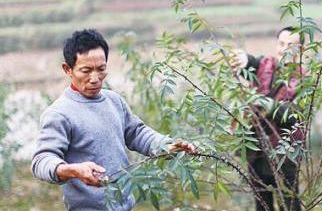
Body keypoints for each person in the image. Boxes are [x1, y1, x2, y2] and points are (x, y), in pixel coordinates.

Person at [31, 29, 196, 211]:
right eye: (85, 71)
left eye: (101, 69)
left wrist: (165, 145)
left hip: (124, 206)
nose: (95, 79)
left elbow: (136, 133)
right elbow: (41, 161)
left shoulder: (114, 100)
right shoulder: (59, 113)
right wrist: (74, 170)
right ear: (67, 69)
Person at [230, 27, 305, 211]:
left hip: (285, 154)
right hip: (258, 150)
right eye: (281, 44)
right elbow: (252, 63)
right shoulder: (266, 64)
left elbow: (294, 117)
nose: (284, 49)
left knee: (289, 205)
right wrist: (243, 59)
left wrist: (266, 104)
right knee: (262, 205)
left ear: (300, 50)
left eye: (291, 45)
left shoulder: (303, 79)